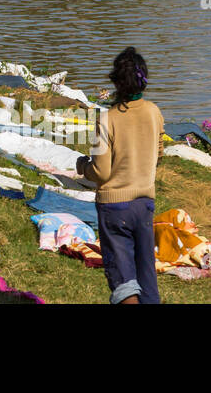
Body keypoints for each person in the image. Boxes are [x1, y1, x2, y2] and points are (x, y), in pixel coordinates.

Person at [76, 47, 164, 305]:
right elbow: (158, 153)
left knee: (124, 280)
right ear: (143, 80)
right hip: (144, 204)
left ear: (115, 82)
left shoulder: (106, 119)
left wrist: (83, 166)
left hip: (115, 208)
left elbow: (101, 172)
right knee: (146, 274)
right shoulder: (154, 112)